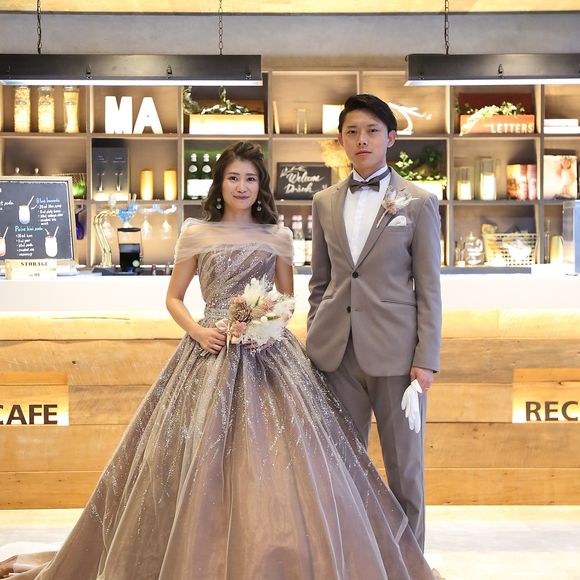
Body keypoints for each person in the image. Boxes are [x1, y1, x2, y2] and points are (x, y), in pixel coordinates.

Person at [0, 141, 434, 580]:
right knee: (191, 456)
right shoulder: (196, 232)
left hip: (268, 354)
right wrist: (198, 330)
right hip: (207, 350)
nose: (242, 187)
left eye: (250, 179)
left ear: (261, 186)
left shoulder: (278, 235)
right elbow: (174, 298)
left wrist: (265, 326)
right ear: (220, 183)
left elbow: (287, 300)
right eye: (233, 178)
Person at [306, 94, 442, 551]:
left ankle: (410, 565)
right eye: (352, 132)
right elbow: (320, 281)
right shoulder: (324, 201)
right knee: (341, 468)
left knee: (405, 469)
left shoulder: (419, 202)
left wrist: (427, 358)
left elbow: (429, 287)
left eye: (371, 131)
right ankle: (351, 562)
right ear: (341, 140)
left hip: (398, 358)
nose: (361, 140)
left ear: (391, 138)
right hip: (334, 355)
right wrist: (316, 334)